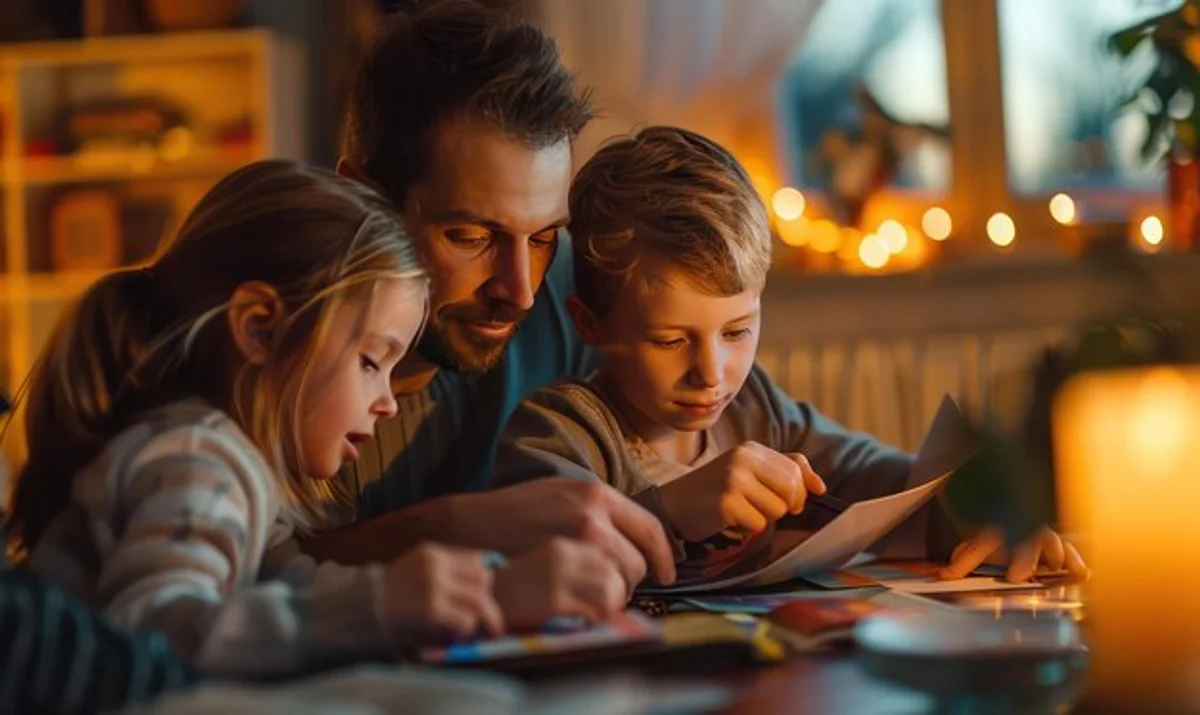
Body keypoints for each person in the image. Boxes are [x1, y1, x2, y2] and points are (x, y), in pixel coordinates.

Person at [5, 160, 627, 679]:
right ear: (259, 329)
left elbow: (302, 588)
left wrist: (489, 586)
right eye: (370, 361)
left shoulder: (241, 471)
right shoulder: (195, 460)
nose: (387, 400)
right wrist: (384, 603)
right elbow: (151, 636)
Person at [491, 126, 1088, 584]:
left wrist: (982, 518)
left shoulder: (755, 410)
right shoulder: (561, 432)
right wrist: (671, 509)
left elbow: (887, 485)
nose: (712, 374)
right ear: (589, 324)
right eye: (670, 341)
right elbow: (535, 560)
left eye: (737, 331)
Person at [315, 0, 677, 591]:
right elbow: (237, 585)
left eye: (541, 237)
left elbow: (765, 419)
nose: (520, 292)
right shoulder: (272, 348)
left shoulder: (566, 291)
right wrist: (461, 526)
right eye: (471, 236)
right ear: (362, 201)